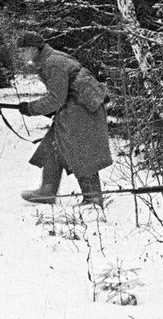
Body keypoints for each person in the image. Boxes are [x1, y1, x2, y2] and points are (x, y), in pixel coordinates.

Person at [13, 31, 112, 207]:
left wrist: (31, 108)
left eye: (22, 50)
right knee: (51, 145)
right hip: (78, 106)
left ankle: (93, 198)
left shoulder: (53, 63)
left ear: (33, 49)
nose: (20, 55)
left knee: (80, 149)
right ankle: (47, 191)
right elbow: (63, 94)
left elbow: (56, 99)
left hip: (84, 109)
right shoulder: (50, 59)